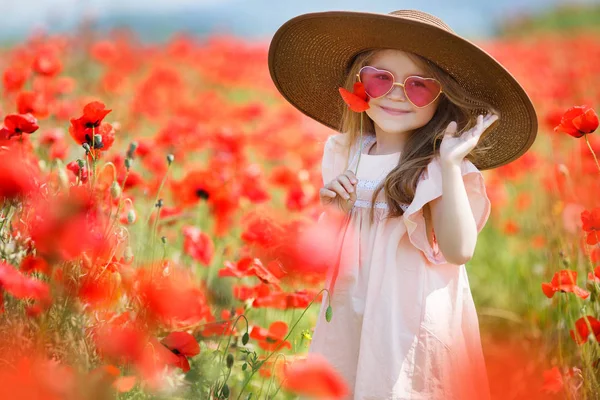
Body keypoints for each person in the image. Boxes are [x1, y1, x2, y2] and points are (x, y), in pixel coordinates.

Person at [268, 9, 537, 400]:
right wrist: (335, 212)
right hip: (351, 311)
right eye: (381, 79)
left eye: (419, 86)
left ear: (442, 99)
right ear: (358, 86)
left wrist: (449, 164)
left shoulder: (436, 167)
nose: (396, 93)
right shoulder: (344, 153)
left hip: (409, 320)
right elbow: (334, 247)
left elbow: (459, 250)